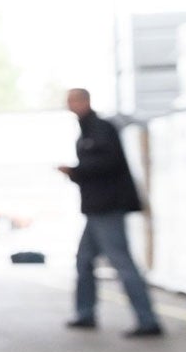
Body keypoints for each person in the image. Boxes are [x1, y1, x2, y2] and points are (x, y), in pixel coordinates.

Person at [58, 89, 164, 338]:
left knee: (122, 263)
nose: (69, 106)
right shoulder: (86, 130)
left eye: (73, 101)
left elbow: (107, 165)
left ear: (84, 101)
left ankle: (148, 321)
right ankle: (85, 314)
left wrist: (76, 172)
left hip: (108, 208)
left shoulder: (101, 129)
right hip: (95, 209)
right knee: (83, 261)